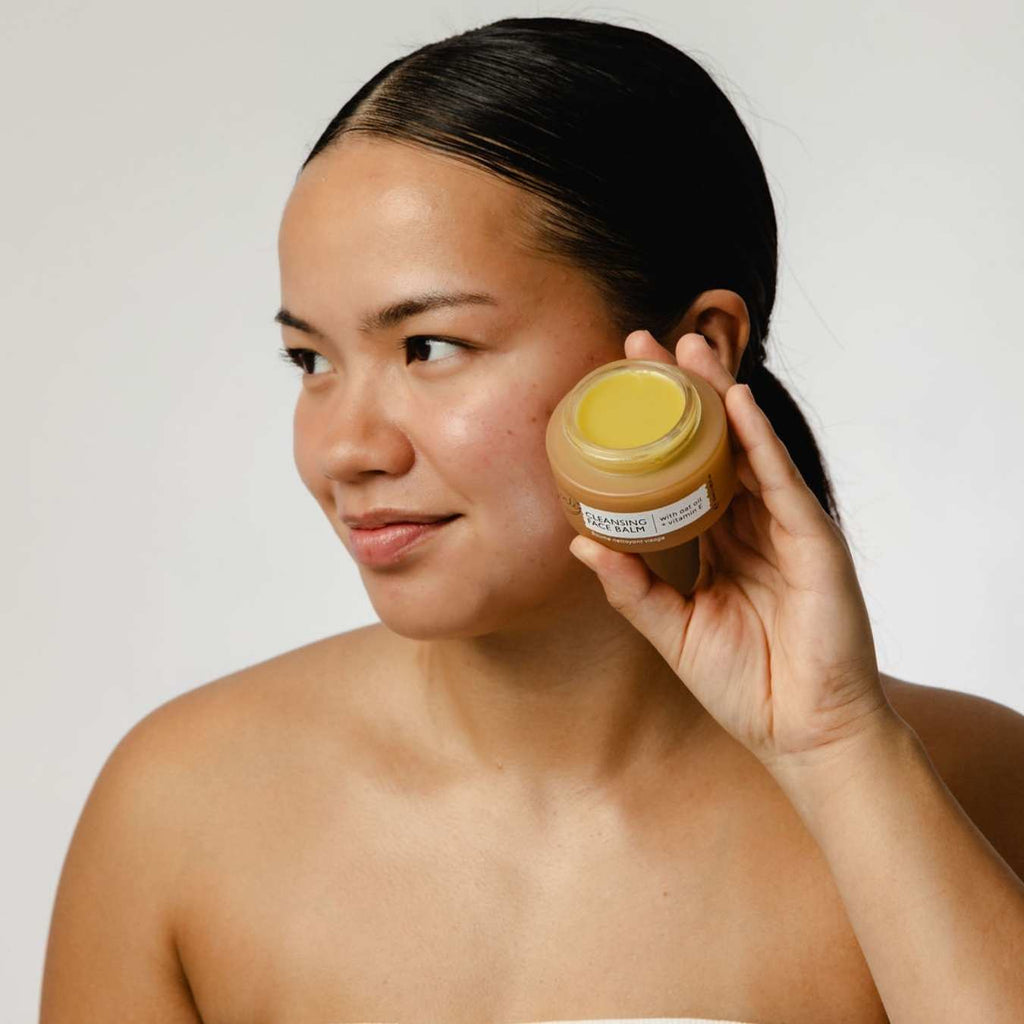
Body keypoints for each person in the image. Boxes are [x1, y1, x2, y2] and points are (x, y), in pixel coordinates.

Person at [39, 16, 1024, 1024]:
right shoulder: (181, 807)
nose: (344, 449)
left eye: (429, 346)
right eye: (310, 361)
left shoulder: (971, 785)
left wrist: (839, 750)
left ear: (689, 353)